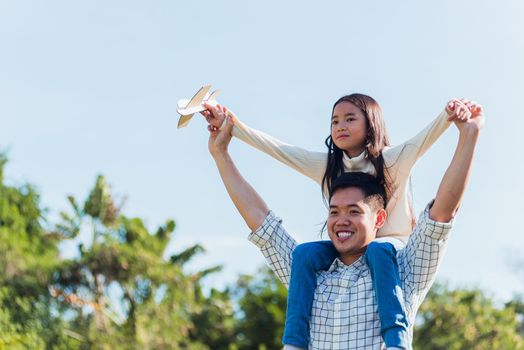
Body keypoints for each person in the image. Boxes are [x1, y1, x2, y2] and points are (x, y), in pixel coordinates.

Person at [202, 95, 478, 349]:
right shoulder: (309, 275)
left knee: (381, 251)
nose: (342, 219)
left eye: (354, 212)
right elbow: (263, 222)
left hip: (393, 249)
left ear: (378, 219)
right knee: (303, 252)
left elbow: (442, 212)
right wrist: (224, 146)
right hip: (323, 267)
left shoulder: (403, 272)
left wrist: (463, 128)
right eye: (334, 211)